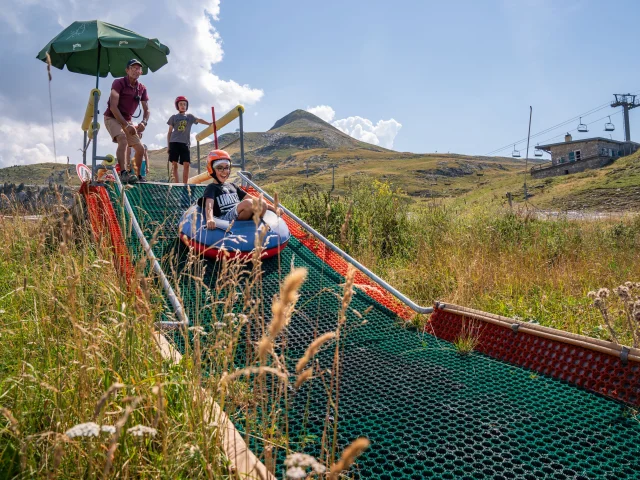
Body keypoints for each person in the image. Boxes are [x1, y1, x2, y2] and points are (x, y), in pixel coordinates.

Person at [197, 150, 281, 230]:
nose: (224, 171)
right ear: (211, 170)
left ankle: (255, 227)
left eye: (227, 167)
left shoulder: (233, 186)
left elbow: (252, 198)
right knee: (248, 203)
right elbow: (209, 206)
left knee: (262, 203)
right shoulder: (211, 187)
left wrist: (274, 208)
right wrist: (210, 219)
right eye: (220, 168)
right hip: (225, 219)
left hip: (239, 215)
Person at [104, 58, 150, 184]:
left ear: (141, 72)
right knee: (123, 138)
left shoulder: (142, 89)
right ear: (127, 70)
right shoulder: (118, 83)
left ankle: (137, 175)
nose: (136, 70)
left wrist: (143, 122)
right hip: (112, 117)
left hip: (127, 120)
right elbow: (113, 107)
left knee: (140, 149)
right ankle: (123, 173)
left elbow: (147, 110)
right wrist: (125, 125)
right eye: (133, 68)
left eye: (138, 68)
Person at [167, 96, 211, 184]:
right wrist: (168, 146)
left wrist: (209, 123)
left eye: (184, 104)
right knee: (174, 164)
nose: (183, 106)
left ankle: (184, 184)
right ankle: (176, 183)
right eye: (181, 104)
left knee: (186, 164)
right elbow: (169, 132)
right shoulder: (173, 117)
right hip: (174, 142)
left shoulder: (190, 117)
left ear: (187, 106)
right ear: (177, 106)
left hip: (185, 143)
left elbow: (199, 120)